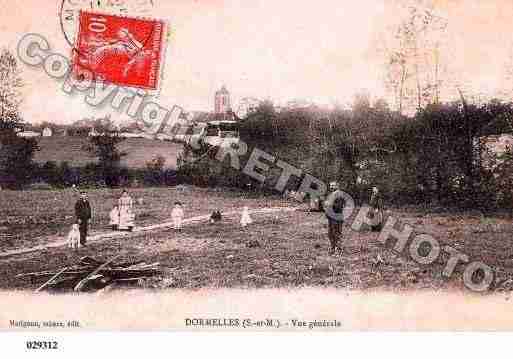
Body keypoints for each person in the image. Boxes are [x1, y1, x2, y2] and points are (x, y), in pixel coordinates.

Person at [324, 181, 345, 255]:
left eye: (333, 185)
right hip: (331, 217)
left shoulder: (339, 194)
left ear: (337, 186)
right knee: (330, 234)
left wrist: (329, 204)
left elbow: (338, 207)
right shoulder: (332, 194)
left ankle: (339, 250)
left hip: (336, 217)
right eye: (330, 185)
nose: (331, 187)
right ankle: (333, 249)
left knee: (337, 234)